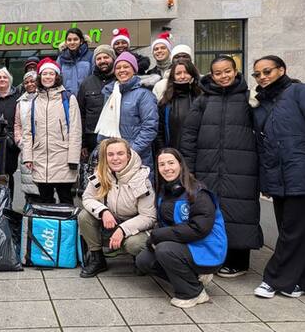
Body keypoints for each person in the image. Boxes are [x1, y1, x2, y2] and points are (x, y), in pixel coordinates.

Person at [250, 55, 305, 299]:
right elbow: (264, 146)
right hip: (280, 181)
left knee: (293, 234)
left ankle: (273, 279)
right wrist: (267, 183)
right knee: (294, 233)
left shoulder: (301, 91)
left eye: (267, 71)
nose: (262, 77)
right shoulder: (263, 103)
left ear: (281, 70)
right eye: (257, 74)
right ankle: (303, 282)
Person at [180, 55, 262, 278]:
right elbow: (189, 135)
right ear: (211, 75)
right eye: (218, 73)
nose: (223, 76)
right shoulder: (203, 100)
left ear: (235, 71)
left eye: (227, 71)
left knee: (240, 212)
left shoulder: (249, 98)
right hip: (208, 166)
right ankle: (214, 258)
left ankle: (239, 262)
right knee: (211, 212)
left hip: (242, 166)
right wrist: (189, 167)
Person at [136, 148, 227, 308]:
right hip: (183, 245)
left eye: (171, 163)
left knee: (164, 250)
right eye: (162, 164)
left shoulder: (198, 192)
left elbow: (199, 228)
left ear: (180, 164)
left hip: (206, 248)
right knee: (144, 260)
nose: (167, 168)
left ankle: (193, 293)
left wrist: (158, 235)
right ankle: (193, 278)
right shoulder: (165, 192)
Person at [79, 138, 156, 277]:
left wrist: (123, 229)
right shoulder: (100, 173)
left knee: (134, 244)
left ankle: (138, 259)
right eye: (110, 154)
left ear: (128, 155)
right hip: (110, 220)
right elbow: (87, 198)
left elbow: (149, 217)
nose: (115, 158)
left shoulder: (141, 178)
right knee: (84, 216)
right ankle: (98, 259)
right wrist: (103, 211)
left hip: (133, 225)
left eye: (120, 153)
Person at [22, 58, 82, 205]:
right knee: (45, 200)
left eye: (51, 73)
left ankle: (67, 228)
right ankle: (49, 229)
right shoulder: (35, 101)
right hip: (40, 159)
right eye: (44, 74)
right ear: (39, 77)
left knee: (66, 199)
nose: (47, 77)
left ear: (56, 76)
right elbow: (28, 132)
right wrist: (28, 157)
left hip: (63, 158)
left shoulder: (68, 99)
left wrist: (73, 159)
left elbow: (75, 131)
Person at [95, 52, 158, 171]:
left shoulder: (144, 95)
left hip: (136, 157)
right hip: (113, 159)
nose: (122, 70)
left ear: (134, 70)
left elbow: (149, 128)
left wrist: (129, 152)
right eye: (118, 67)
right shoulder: (111, 93)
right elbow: (105, 125)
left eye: (126, 67)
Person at [77, 44, 116, 160]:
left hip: (116, 136)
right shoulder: (86, 83)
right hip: (93, 138)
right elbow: (81, 115)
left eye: (106, 57)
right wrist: (83, 144)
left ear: (113, 59)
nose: (102, 61)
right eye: (99, 59)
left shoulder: (120, 81)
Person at [156, 59, 202, 150]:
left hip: (198, 154)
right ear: (173, 77)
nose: (182, 76)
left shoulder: (202, 99)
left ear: (192, 75)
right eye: (178, 73)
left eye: (186, 72)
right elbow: (159, 134)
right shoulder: (165, 103)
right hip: (173, 154)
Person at [0, 67, 22, 197]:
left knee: (8, 174)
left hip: (10, 142)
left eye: (4, 77)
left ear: (9, 80)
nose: (2, 79)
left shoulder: (18, 96)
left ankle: (8, 205)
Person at [14, 70, 40, 202]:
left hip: (43, 147)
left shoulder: (44, 97)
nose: (30, 84)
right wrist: (19, 141)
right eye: (26, 82)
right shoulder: (21, 102)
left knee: (44, 185)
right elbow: (17, 124)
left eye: (32, 81)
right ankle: (30, 211)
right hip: (26, 147)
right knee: (28, 184)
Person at [56, 27, 93, 96]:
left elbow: (94, 78)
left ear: (81, 41)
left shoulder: (90, 56)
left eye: (75, 39)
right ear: (66, 42)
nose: (72, 42)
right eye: (69, 40)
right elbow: (57, 79)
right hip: (66, 98)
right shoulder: (61, 58)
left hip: (86, 98)